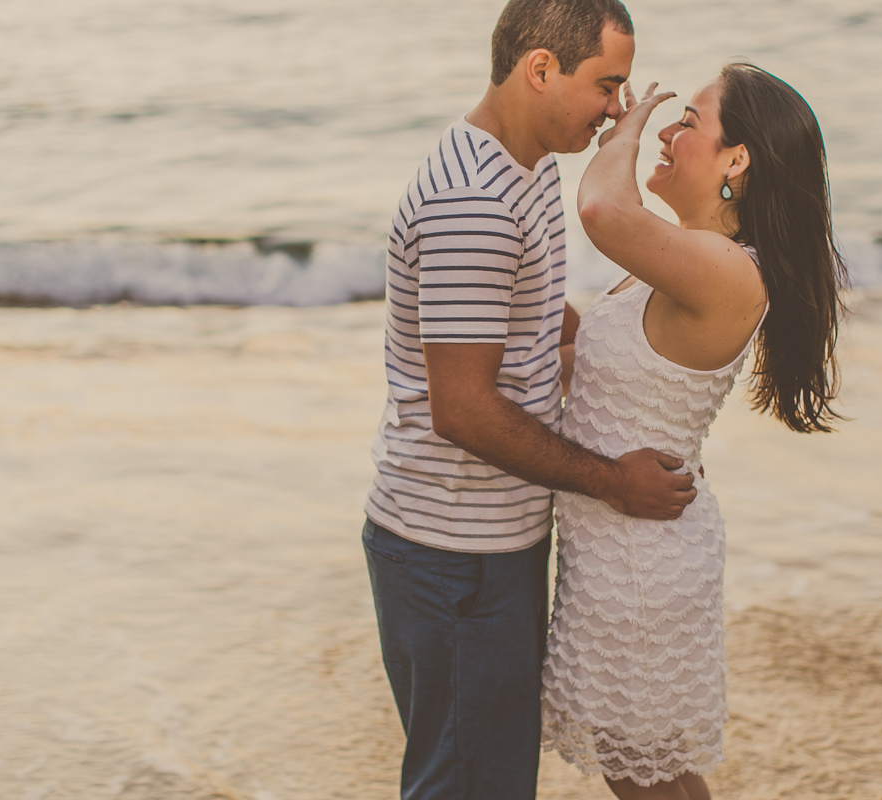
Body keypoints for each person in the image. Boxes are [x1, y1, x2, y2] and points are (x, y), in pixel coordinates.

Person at [360, 1, 700, 798]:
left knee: (493, 776)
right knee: (469, 784)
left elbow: (536, 314)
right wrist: (612, 481)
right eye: (606, 85)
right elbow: (463, 408)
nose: (616, 109)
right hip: (452, 555)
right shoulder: (473, 202)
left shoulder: (529, 165)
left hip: (489, 545)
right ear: (541, 69)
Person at [541, 65, 847, 800]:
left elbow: (602, 209)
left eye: (688, 121)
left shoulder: (726, 269)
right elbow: (591, 371)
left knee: (641, 772)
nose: (668, 132)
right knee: (656, 771)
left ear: (736, 160)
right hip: (625, 547)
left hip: (638, 563)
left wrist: (625, 130)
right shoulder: (683, 260)